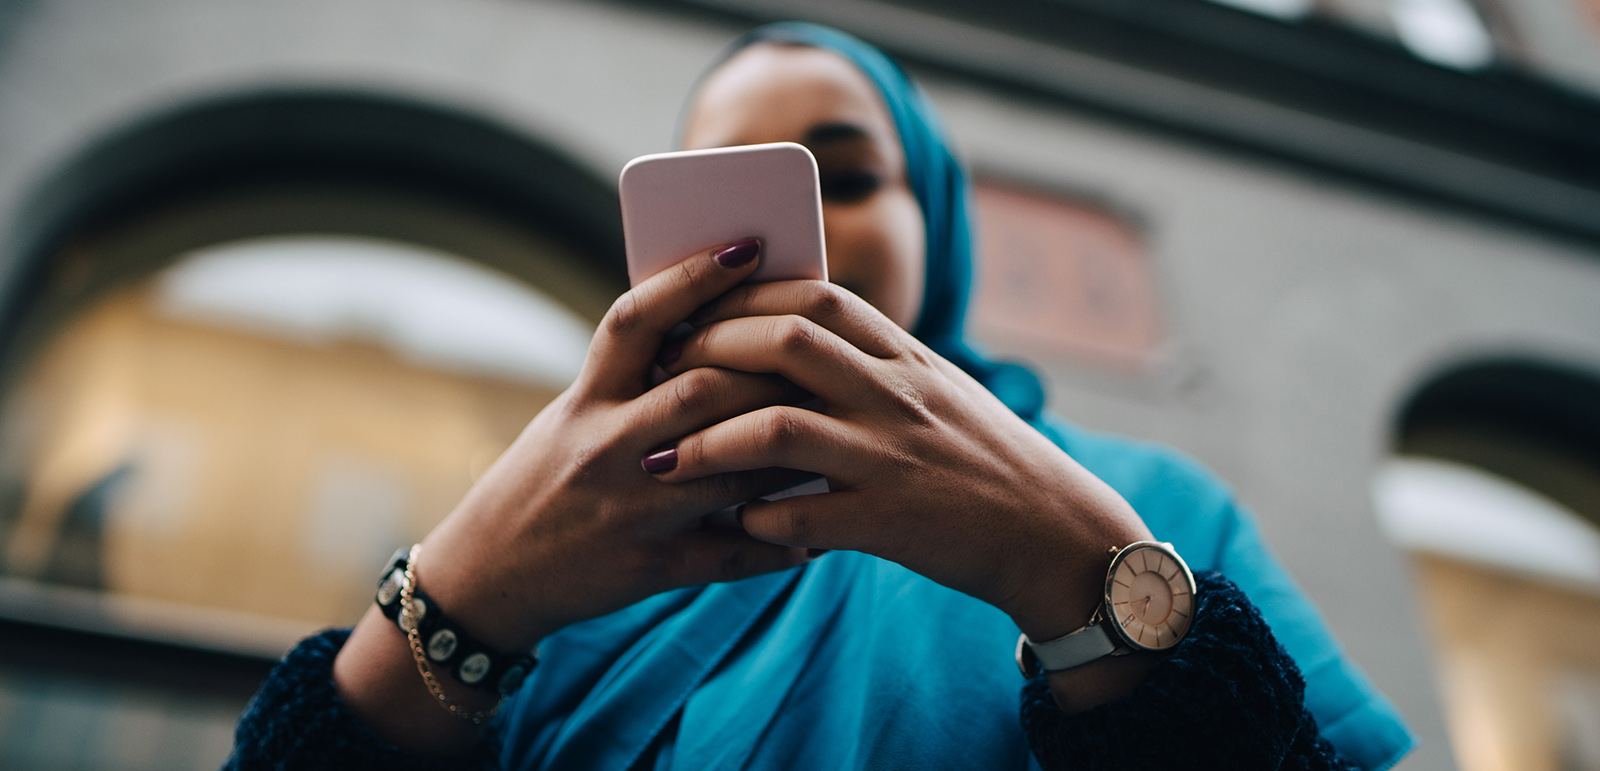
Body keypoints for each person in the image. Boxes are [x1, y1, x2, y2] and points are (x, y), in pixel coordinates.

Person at [227, 23, 1414, 770]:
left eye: (844, 175)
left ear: (937, 227)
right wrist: (463, 592)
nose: (771, 235)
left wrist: (1074, 569)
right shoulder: (574, 544)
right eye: (711, 192)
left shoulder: (1154, 509)